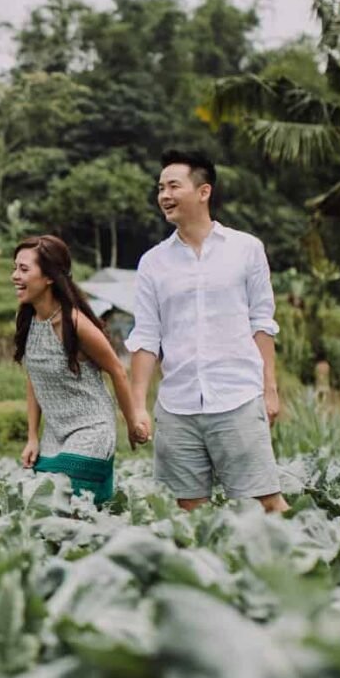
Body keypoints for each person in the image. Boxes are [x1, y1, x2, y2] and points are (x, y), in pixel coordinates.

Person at [127, 149, 290, 513]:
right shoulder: (153, 262)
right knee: (189, 512)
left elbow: (262, 323)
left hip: (238, 397)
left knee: (265, 502)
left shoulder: (246, 249)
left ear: (204, 192)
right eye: (160, 188)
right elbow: (146, 337)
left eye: (173, 186)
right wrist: (137, 406)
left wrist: (270, 390)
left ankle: (313, 548)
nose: (164, 195)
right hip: (177, 406)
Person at [12, 234, 147, 506]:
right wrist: (32, 437)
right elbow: (34, 378)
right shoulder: (27, 318)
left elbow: (117, 371)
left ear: (49, 276)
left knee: (66, 506)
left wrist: (132, 422)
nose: (15, 276)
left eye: (24, 269)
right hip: (55, 434)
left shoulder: (74, 323)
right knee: (46, 511)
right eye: (15, 268)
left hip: (91, 428)